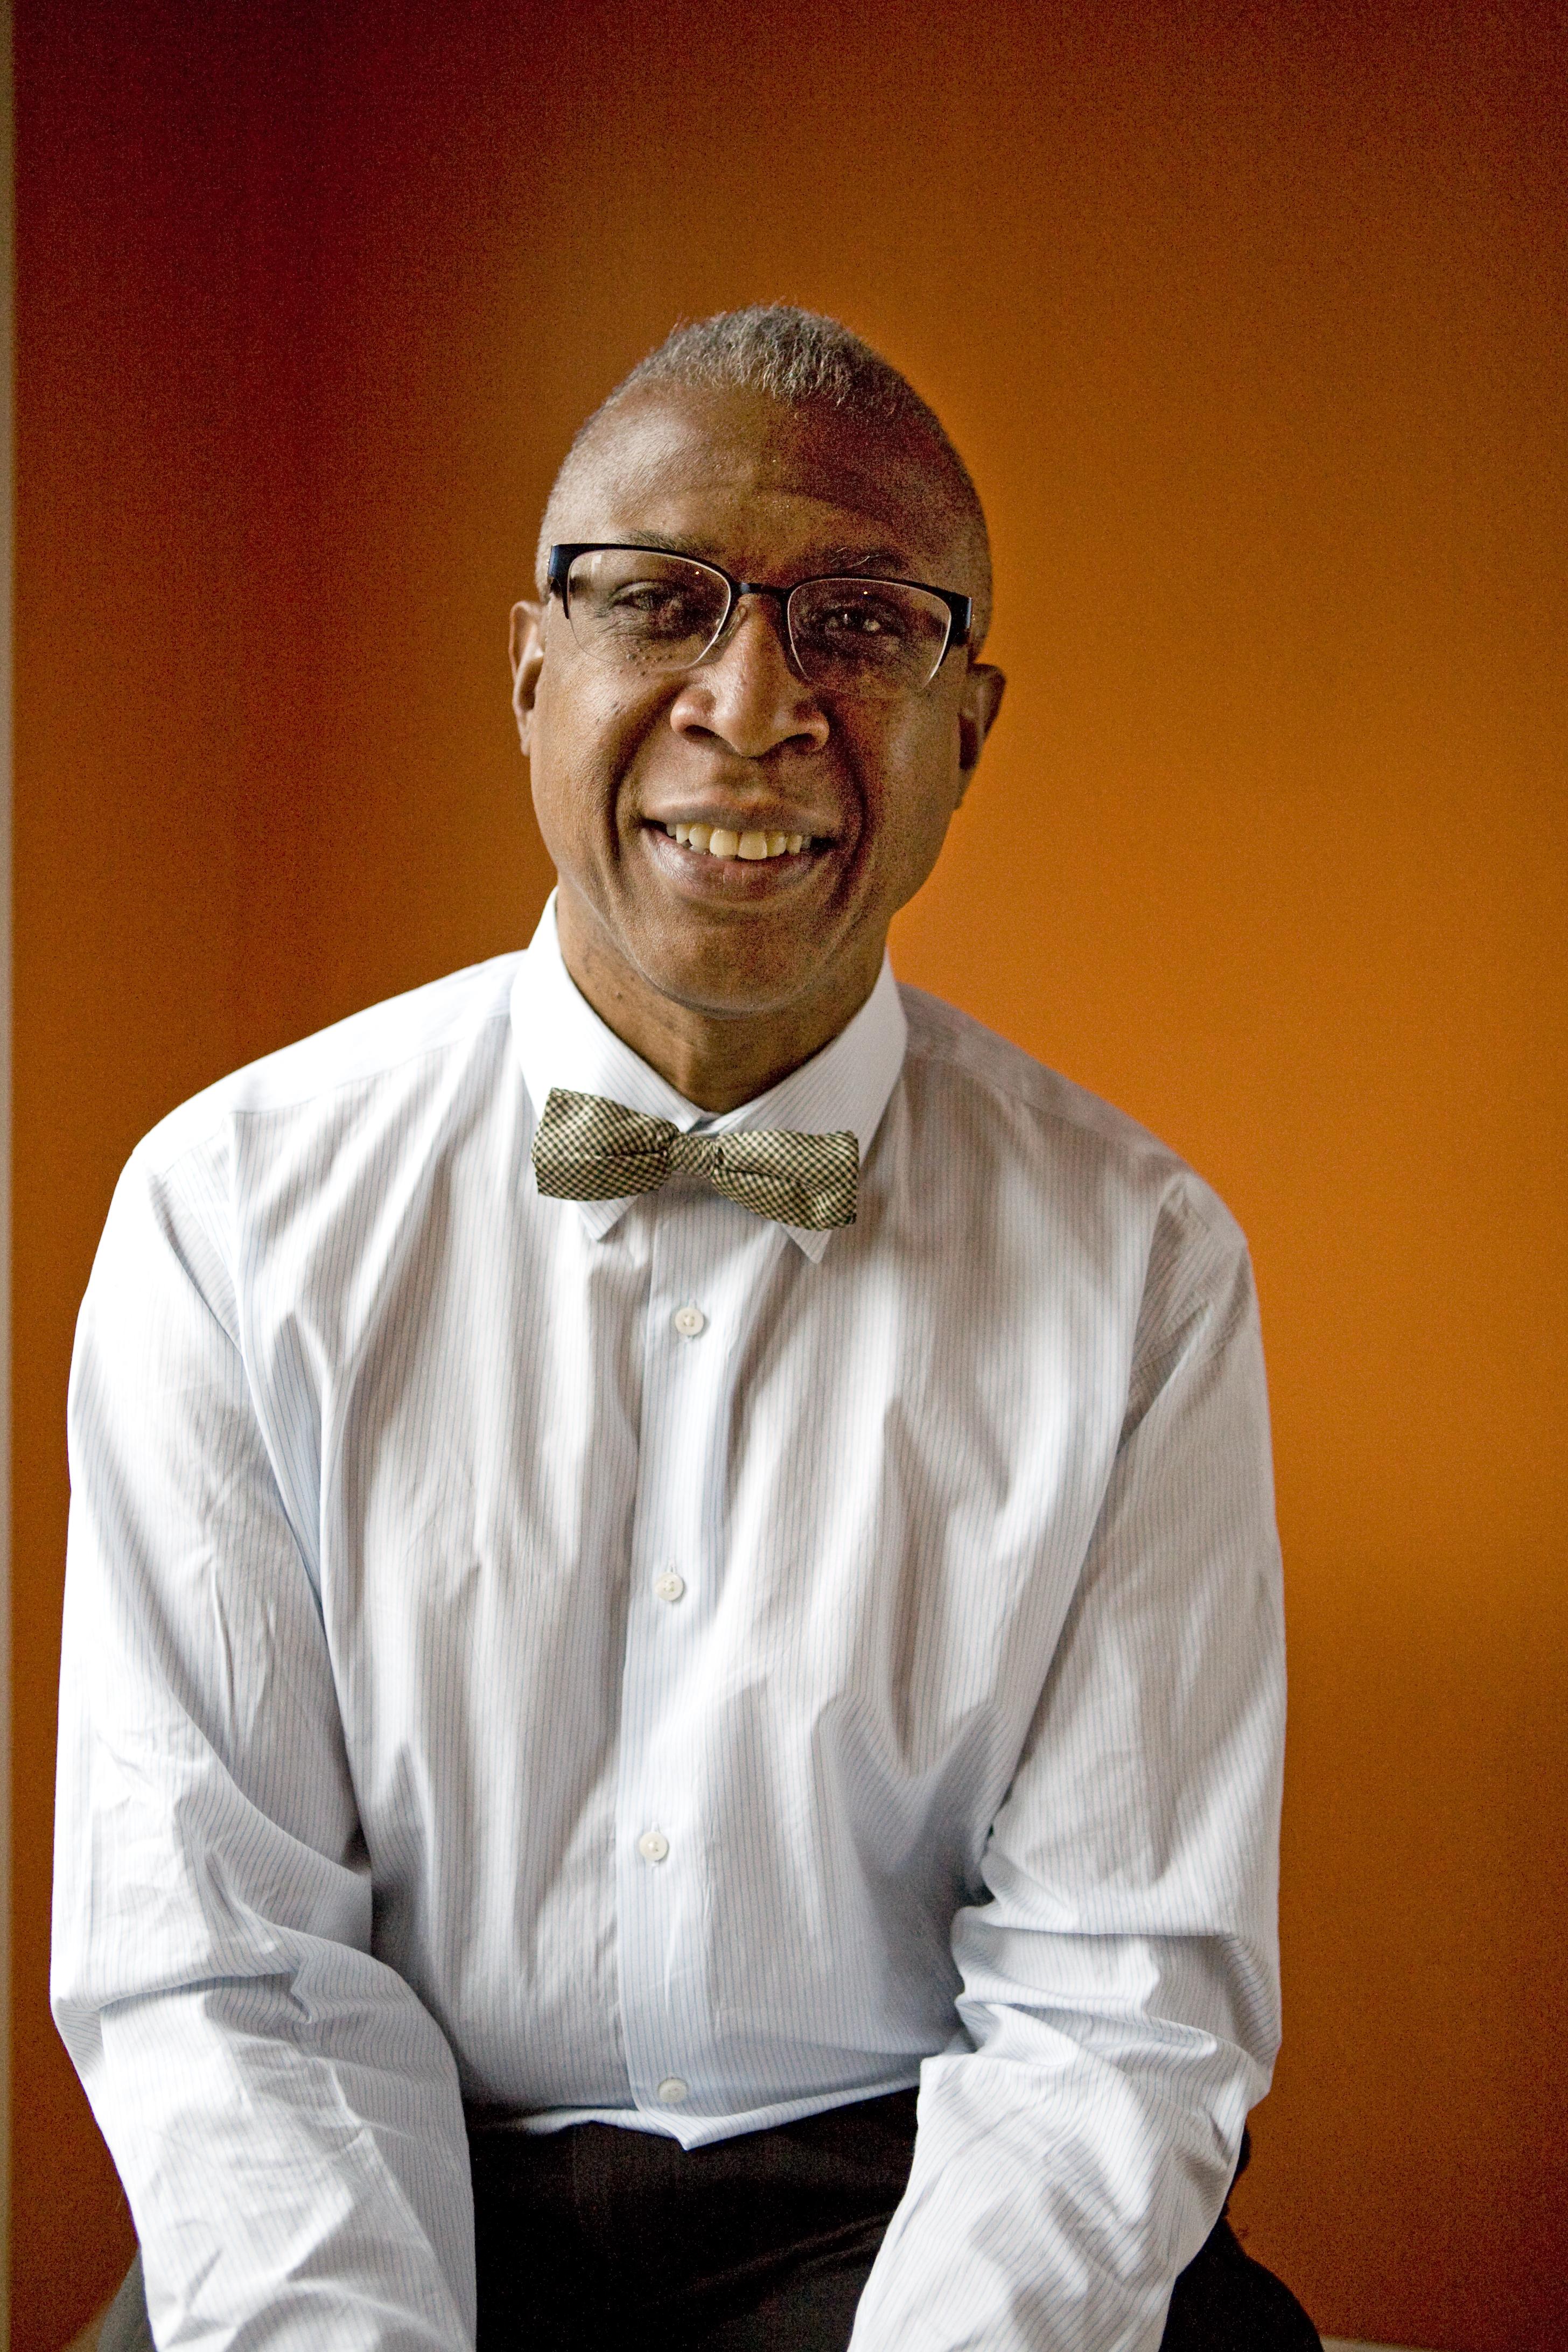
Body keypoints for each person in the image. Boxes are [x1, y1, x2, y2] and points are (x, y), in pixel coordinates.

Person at [54, 306, 1319, 2351]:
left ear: (968, 728)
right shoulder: (228, 1214)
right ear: (533, 673)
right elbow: (223, 1967)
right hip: (392, 2181)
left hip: (923, 2204)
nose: (755, 703)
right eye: (666, 604)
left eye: (862, 622)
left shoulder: (1148, 1267)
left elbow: (1120, 2004)